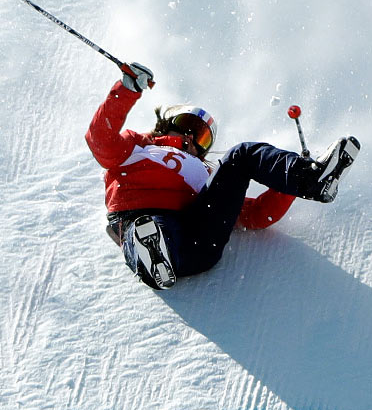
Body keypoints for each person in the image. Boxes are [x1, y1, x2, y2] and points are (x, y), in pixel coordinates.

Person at [85, 62, 357, 289]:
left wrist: (288, 187)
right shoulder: (137, 146)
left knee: (243, 155)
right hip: (141, 216)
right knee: (149, 226)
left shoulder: (206, 171)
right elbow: (100, 140)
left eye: (201, 136)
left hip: (199, 237)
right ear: (165, 125)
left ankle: (311, 178)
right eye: (187, 125)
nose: (191, 136)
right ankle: (153, 252)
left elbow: (255, 215)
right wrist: (128, 89)